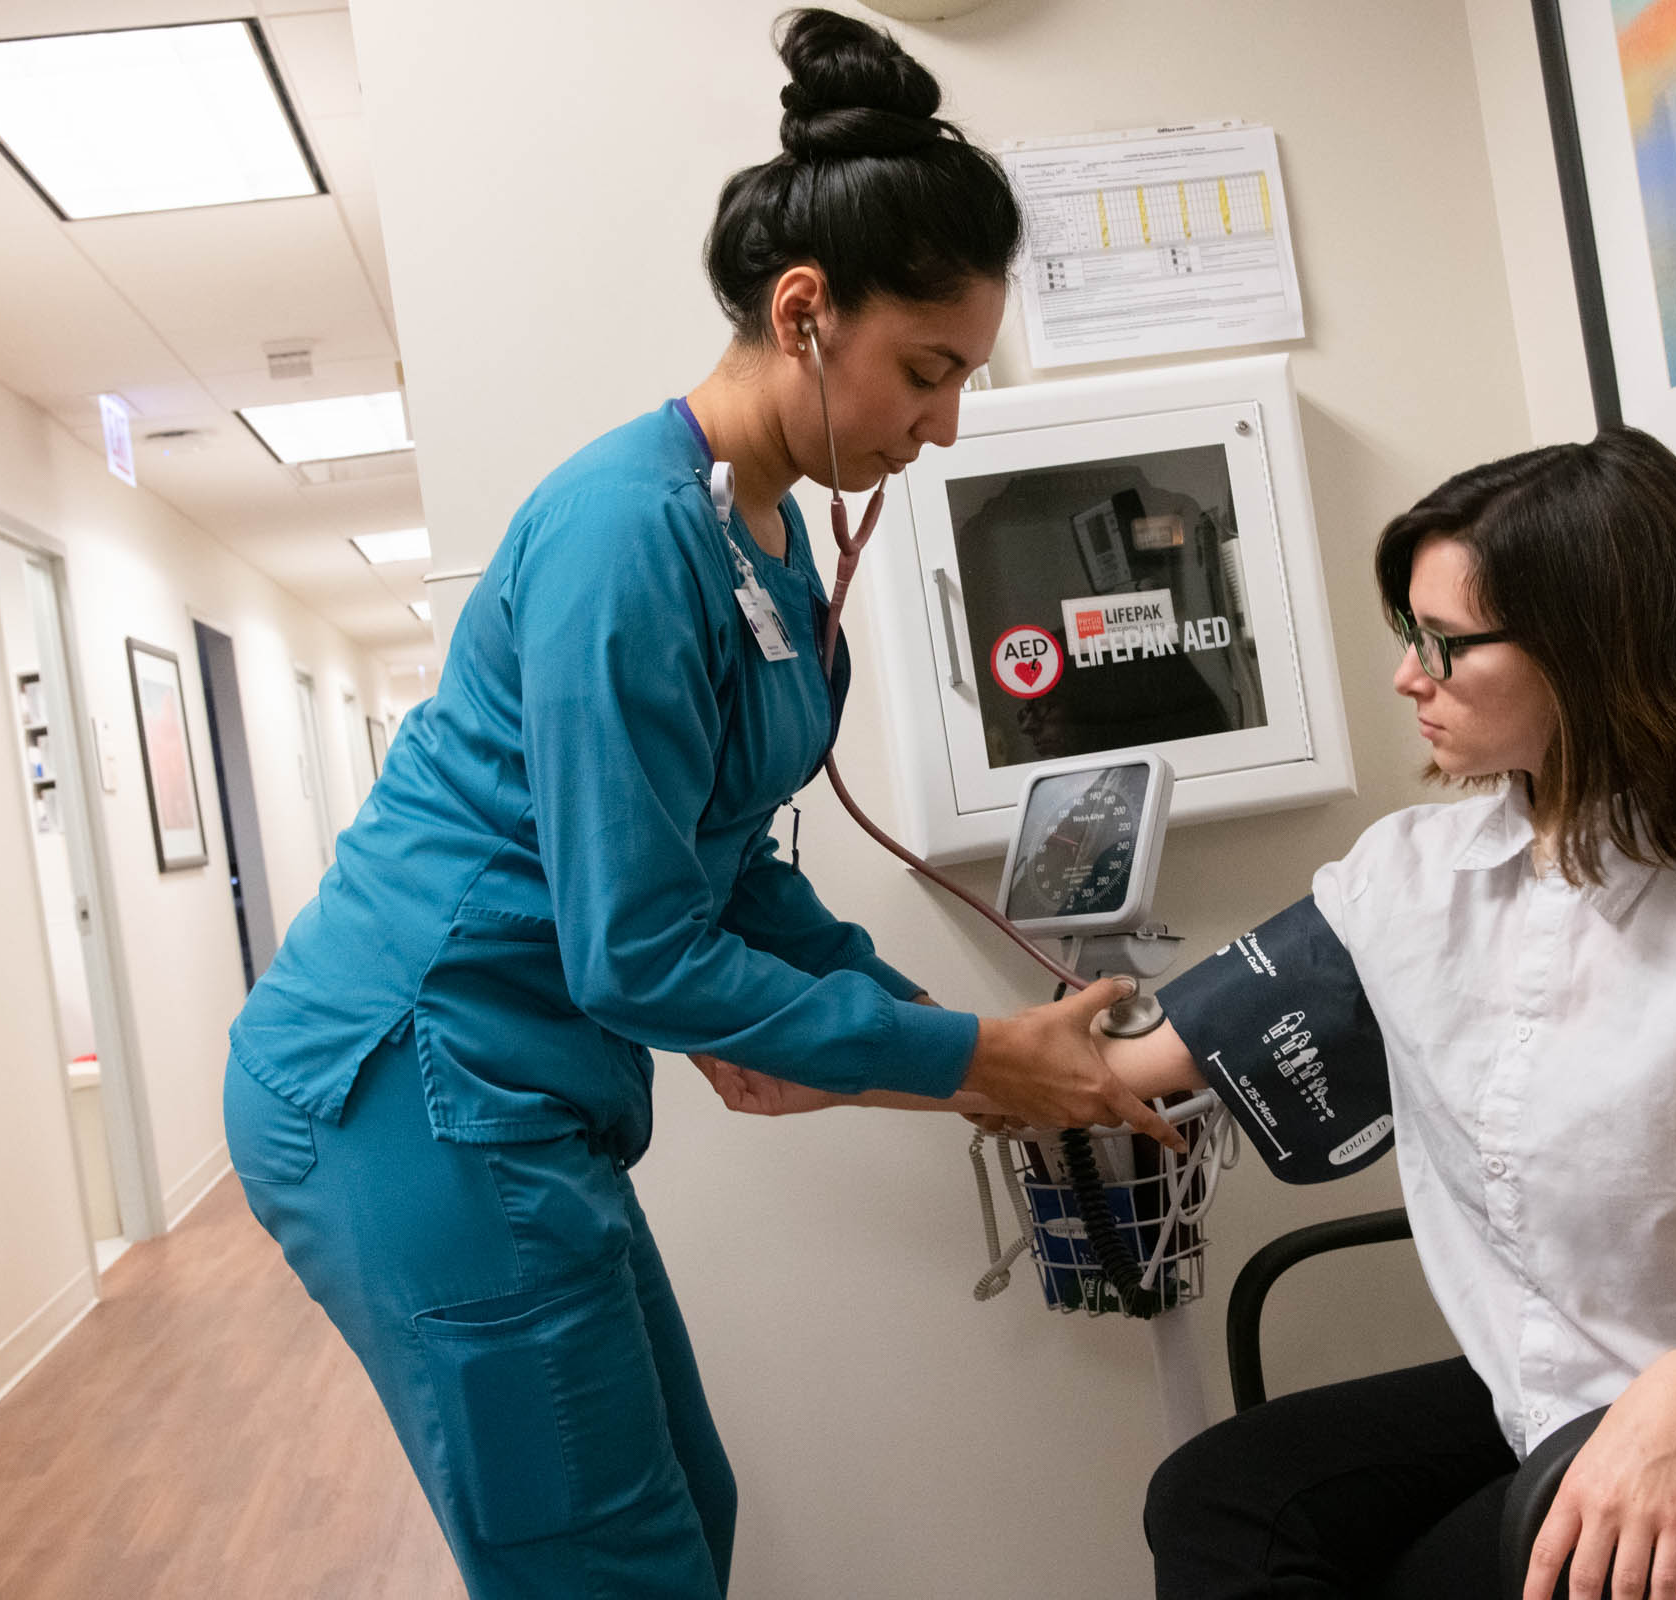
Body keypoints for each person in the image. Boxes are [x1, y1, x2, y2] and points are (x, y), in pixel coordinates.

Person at [219, 13, 1168, 1599]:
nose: (943, 426)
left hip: (518, 1081)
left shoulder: (763, 540)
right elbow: (640, 953)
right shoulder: (626, 537)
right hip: (409, 1083)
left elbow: (726, 874)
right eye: (925, 371)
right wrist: (964, 1062)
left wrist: (956, 1042)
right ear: (804, 313)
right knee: (612, 1569)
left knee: (684, 1513)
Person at [710, 427, 1676, 1599]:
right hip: (1542, 1402)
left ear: (1597, 651)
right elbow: (1113, 1068)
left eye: (1445, 642)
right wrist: (838, 1069)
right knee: (1219, 1497)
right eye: (1407, 632)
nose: (1405, 676)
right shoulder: (1413, 876)